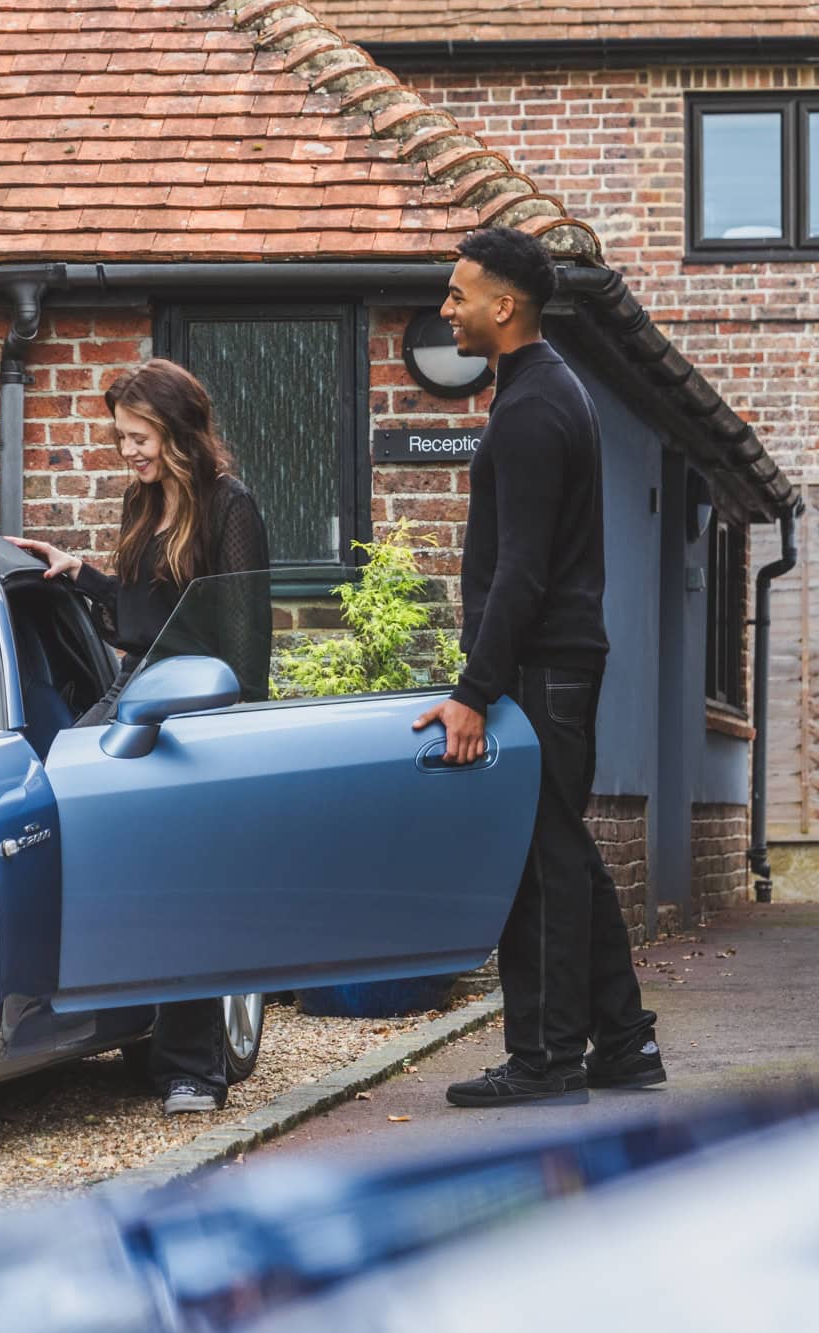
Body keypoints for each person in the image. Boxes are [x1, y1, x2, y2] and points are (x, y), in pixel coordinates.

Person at [415, 227, 662, 1107]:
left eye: (458, 293)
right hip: (556, 662)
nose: (448, 308)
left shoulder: (530, 410)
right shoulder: (544, 392)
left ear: (503, 305)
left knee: (540, 864)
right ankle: (625, 1044)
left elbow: (520, 570)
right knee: (565, 855)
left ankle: (547, 1062)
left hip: (543, 669)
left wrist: (473, 691)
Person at [6, 358, 270, 1115]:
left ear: (175, 428)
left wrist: (229, 733)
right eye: (120, 435)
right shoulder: (140, 501)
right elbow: (134, 619)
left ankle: (192, 1065)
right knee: (58, 809)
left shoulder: (231, 507)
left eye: (137, 434)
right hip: (133, 694)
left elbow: (247, 645)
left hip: (197, 704)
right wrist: (79, 572)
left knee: (183, 878)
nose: (127, 449)